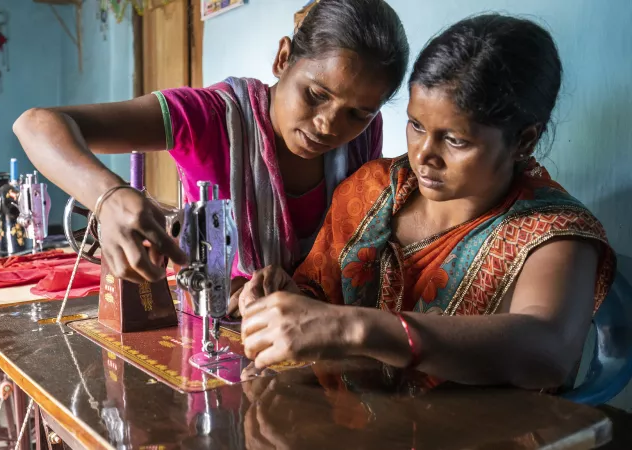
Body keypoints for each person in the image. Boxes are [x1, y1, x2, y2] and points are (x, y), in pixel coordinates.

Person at [238, 14, 616, 390]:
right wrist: (286, 302)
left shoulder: (553, 231)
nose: (423, 156)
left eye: (456, 141)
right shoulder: (371, 189)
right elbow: (318, 295)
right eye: (416, 126)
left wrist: (357, 328)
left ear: (524, 141)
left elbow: (549, 352)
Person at [13, 0, 410, 303]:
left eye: (357, 113)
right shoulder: (210, 117)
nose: (329, 125)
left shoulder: (362, 136)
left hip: (308, 337)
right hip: (217, 328)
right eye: (315, 95)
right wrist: (108, 196)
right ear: (283, 58)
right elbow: (35, 124)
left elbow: (344, 253)